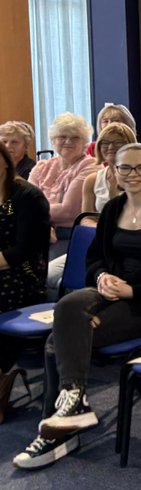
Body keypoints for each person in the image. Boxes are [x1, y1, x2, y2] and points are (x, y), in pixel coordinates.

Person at [13, 143, 141, 470]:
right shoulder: (112, 209)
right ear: (113, 172)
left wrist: (133, 290)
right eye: (125, 167)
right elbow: (94, 258)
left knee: (59, 339)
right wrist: (99, 278)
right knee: (68, 305)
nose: (133, 174)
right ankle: (72, 406)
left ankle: (59, 429)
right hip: (109, 291)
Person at [0, 143, 51, 416]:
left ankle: (3, 373)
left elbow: (25, 250)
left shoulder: (27, 196)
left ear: (6, 161)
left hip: (24, 275)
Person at [28, 113, 99, 245]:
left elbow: (68, 211)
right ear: (53, 140)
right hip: (39, 230)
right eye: (62, 137)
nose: (68, 142)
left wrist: (34, 214)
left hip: (70, 235)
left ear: (85, 142)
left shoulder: (91, 167)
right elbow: (25, 203)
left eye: (75, 138)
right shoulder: (41, 167)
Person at [81, 123, 138, 214]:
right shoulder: (92, 180)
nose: (111, 147)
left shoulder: (140, 177)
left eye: (118, 142)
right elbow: (85, 219)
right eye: (105, 143)